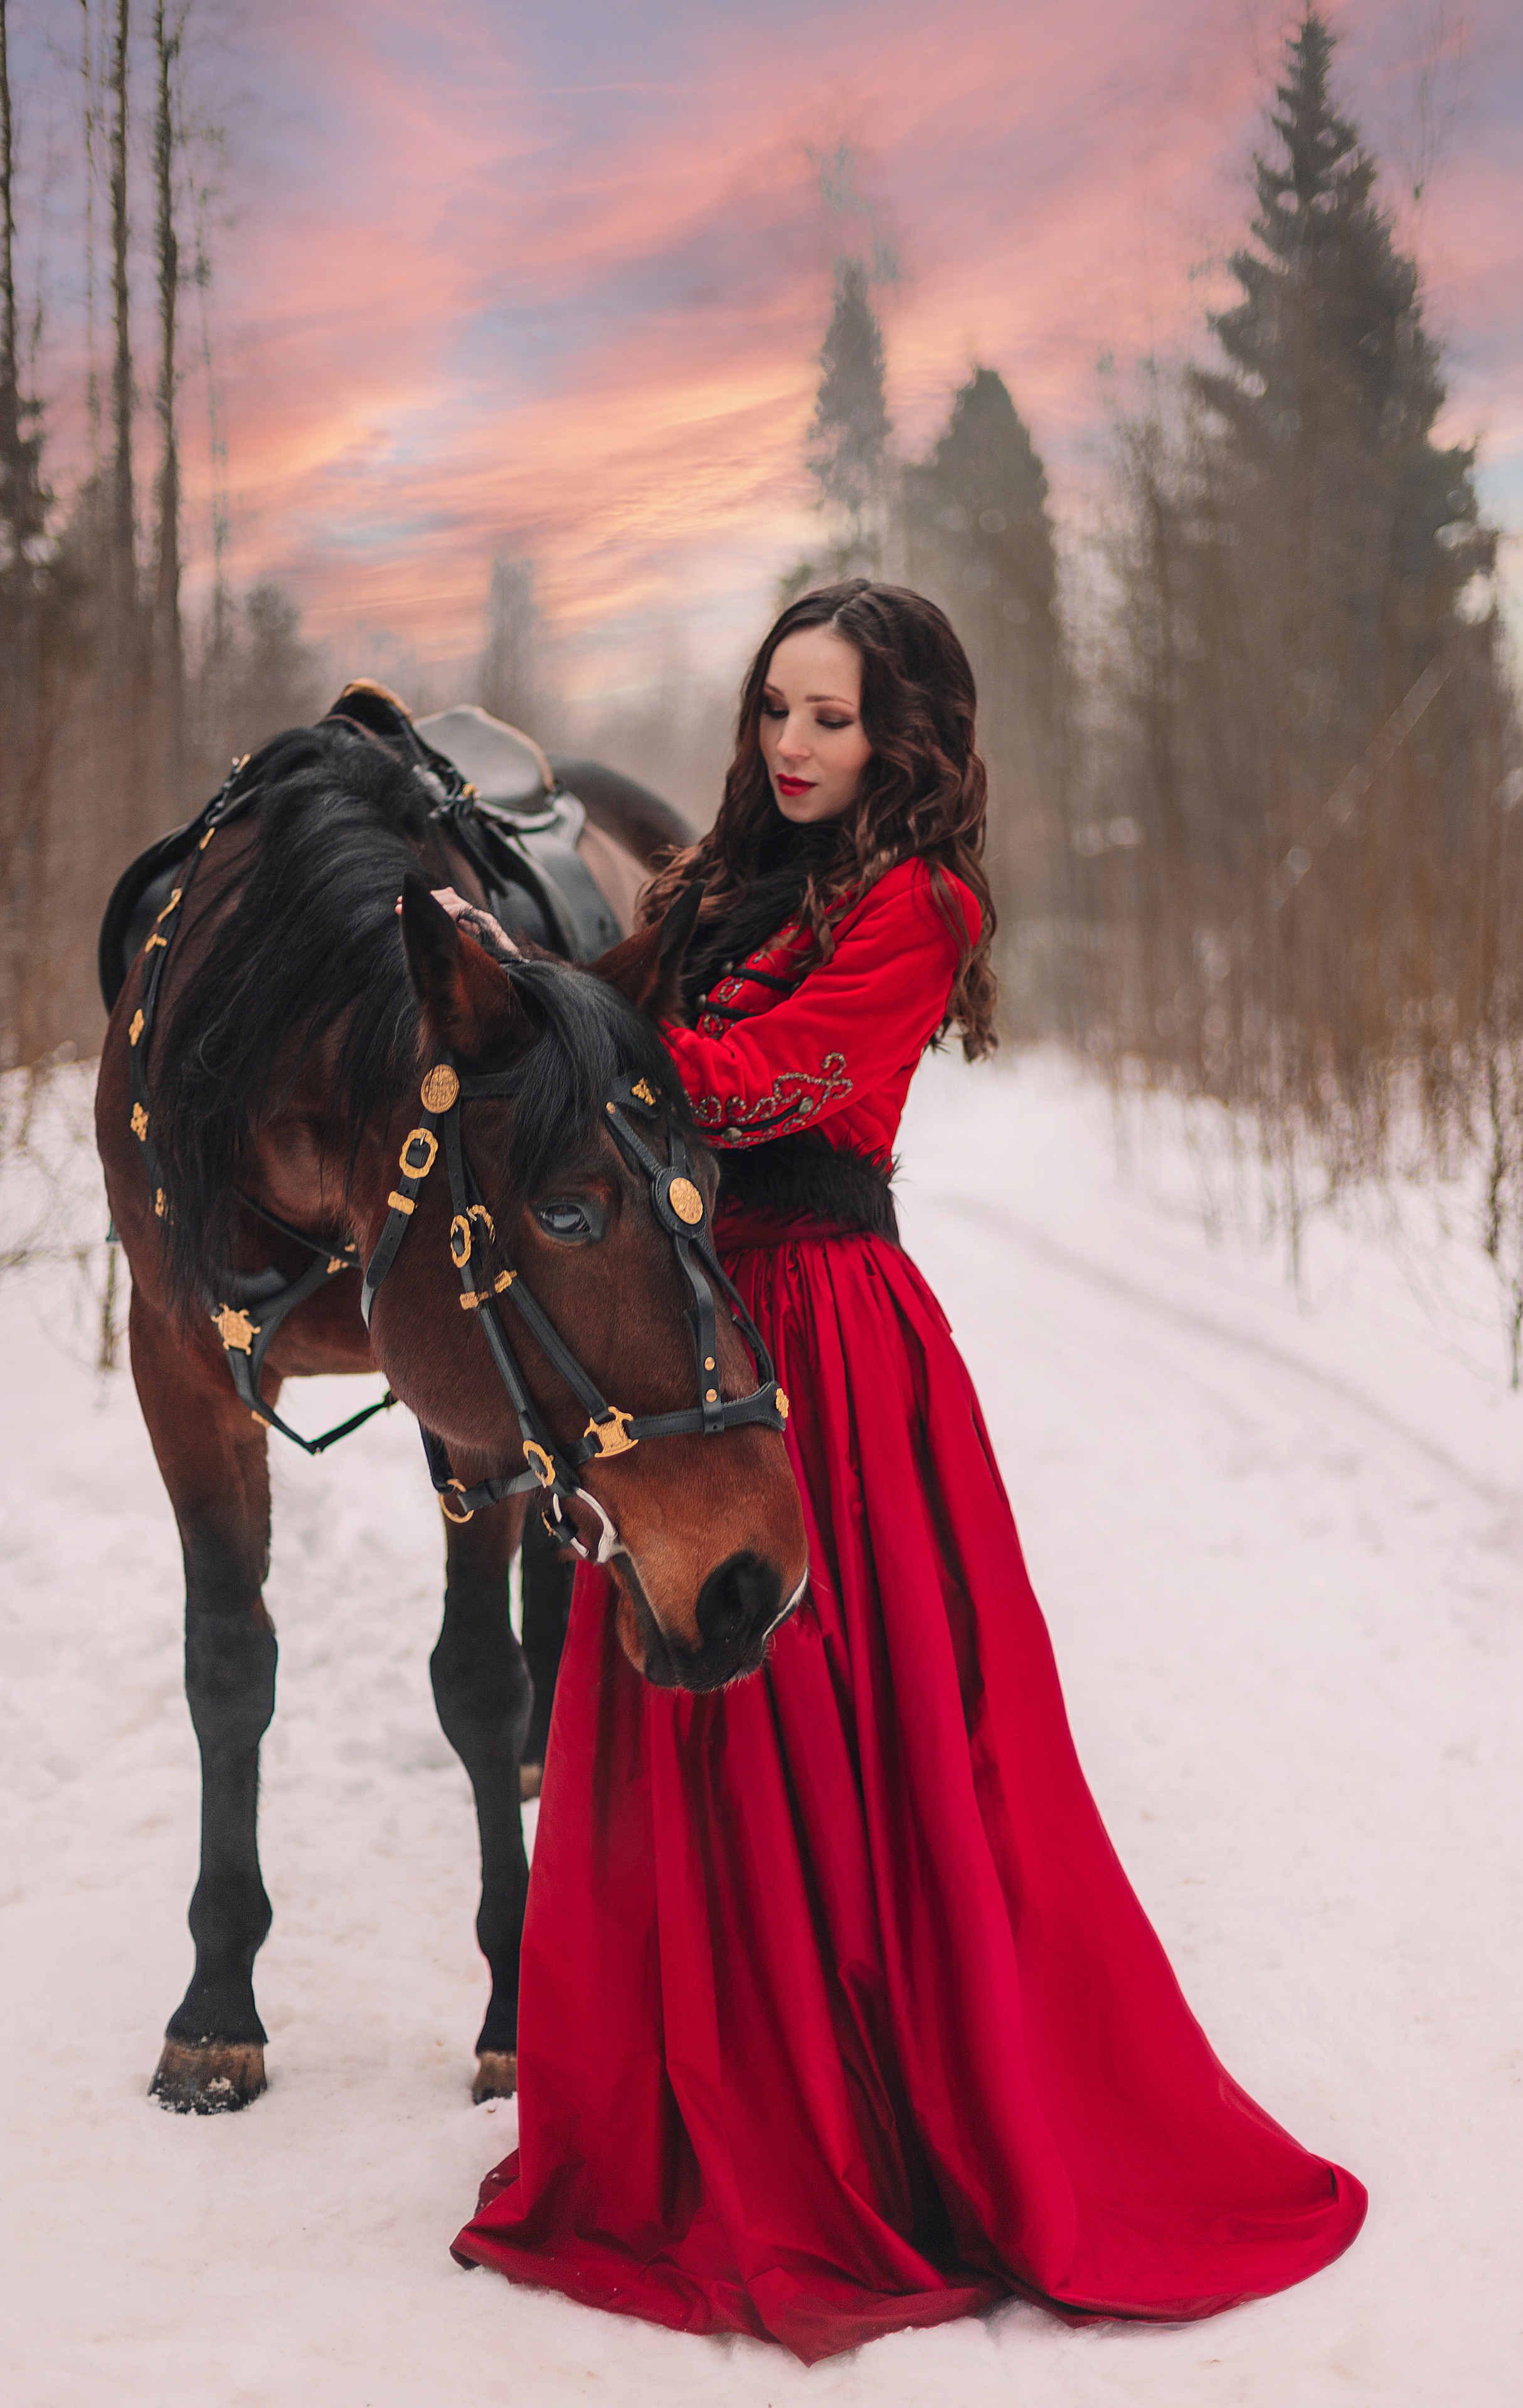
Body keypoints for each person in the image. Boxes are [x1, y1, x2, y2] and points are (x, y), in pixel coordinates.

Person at [448, 581, 1365, 2364]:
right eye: (776, 707)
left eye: (833, 717)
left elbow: (770, 1077)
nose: (792, 745)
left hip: (828, 1353)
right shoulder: (720, 881)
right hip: (683, 1330)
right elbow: (632, 1026)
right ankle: (691, 2105)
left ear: (904, 738)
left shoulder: (915, 903)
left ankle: (875, 2113)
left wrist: (566, 1055)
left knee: (857, 1743)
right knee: (679, 1724)